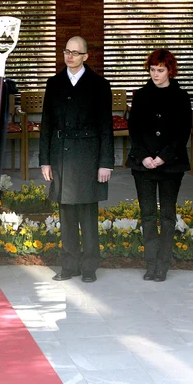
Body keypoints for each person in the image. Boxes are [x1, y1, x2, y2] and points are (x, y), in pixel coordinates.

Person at [39, 36, 114, 283]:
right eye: (66, 51)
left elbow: (106, 126)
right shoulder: (54, 83)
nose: (69, 56)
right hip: (60, 155)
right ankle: (69, 266)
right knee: (66, 214)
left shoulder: (99, 85)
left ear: (85, 56)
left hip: (89, 156)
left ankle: (90, 267)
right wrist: (45, 160)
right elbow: (47, 124)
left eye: (75, 52)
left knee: (87, 215)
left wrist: (106, 162)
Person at [126, 49, 192, 282]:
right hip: (142, 165)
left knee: (166, 215)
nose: (155, 74)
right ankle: (151, 263)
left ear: (170, 71)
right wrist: (144, 156)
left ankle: (163, 265)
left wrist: (163, 157)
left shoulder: (182, 97)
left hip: (170, 165)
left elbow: (183, 131)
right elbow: (134, 129)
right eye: (152, 70)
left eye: (160, 70)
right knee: (147, 215)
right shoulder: (141, 95)